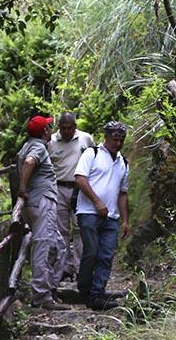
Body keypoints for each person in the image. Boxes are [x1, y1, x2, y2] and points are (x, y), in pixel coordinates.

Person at [74, 121, 130, 311]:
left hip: (112, 217)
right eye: (115, 139)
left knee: (106, 255)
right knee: (91, 251)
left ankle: (97, 294)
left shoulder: (123, 162)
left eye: (121, 140)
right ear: (106, 137)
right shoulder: (92, 153)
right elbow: (80, 178)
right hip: (88, 212)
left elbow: (123, 193)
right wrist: (97, 202)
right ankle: (84, 289)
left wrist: (125, 220)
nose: (118, 144)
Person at [17, 115, 69, 310]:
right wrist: (22, 188)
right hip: (41, 202)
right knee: (43, 245)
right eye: (48, 127)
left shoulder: (27, 145)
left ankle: (50, 288)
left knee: (58, 246)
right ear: (45, 131)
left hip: (37, 202)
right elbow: (29, 162)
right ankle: (41, 295)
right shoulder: (38, 148)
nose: (51, 129)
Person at [47, 112, 94, 282]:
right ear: (59, 127)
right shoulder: (51, 142)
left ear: (75, 126)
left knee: (80, 227)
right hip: (58, 187)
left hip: (79, 188)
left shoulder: (85, 139)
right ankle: (65, 267)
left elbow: (93, 159)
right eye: (63, 128)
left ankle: (81, 266)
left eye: (70, 128)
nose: (67, 131)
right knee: (62, 230)